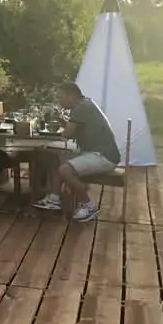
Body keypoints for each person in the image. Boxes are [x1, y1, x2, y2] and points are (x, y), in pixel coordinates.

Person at [33, 82, 120, 222]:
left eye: (60, 98)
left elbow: (68, 134)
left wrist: (53, 128)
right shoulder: (84, 104)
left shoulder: (81, 107)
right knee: (56, 158)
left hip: (104, 156)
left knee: (65, 170)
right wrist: (61, 120)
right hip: (95, 152)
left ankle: (88, 205)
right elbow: (74, 129)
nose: (59, 102)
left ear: (71, 95)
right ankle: (54, 199)